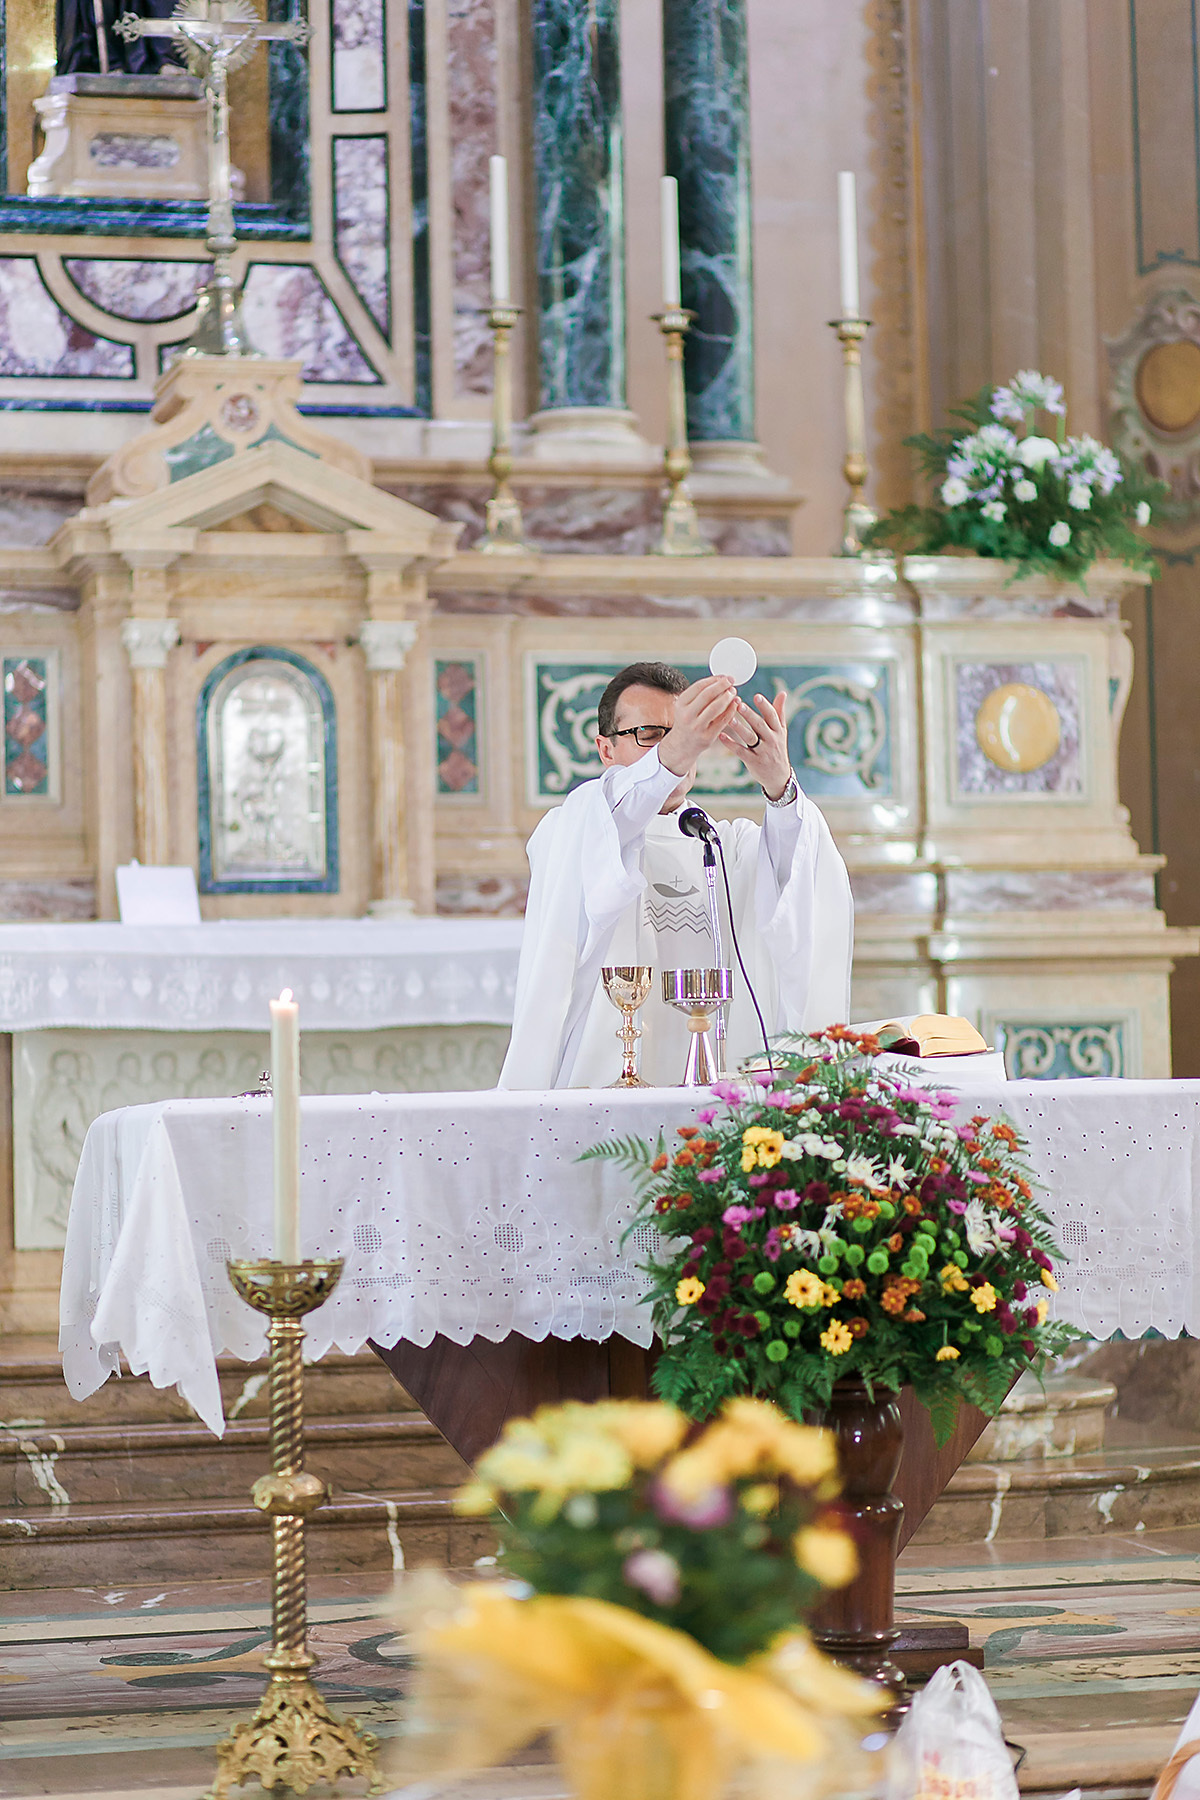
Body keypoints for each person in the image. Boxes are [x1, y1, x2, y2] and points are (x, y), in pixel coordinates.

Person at [498, 660, 853, 1089]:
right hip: (602, 1104)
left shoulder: (727, 846)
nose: (675, 749)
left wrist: (781, 787)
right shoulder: (576, 829)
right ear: (606, 749)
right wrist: (675, 753)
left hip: (717, 1107)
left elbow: (797, 876)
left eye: (683, 734)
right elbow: (614, 809)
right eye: (649, 735)